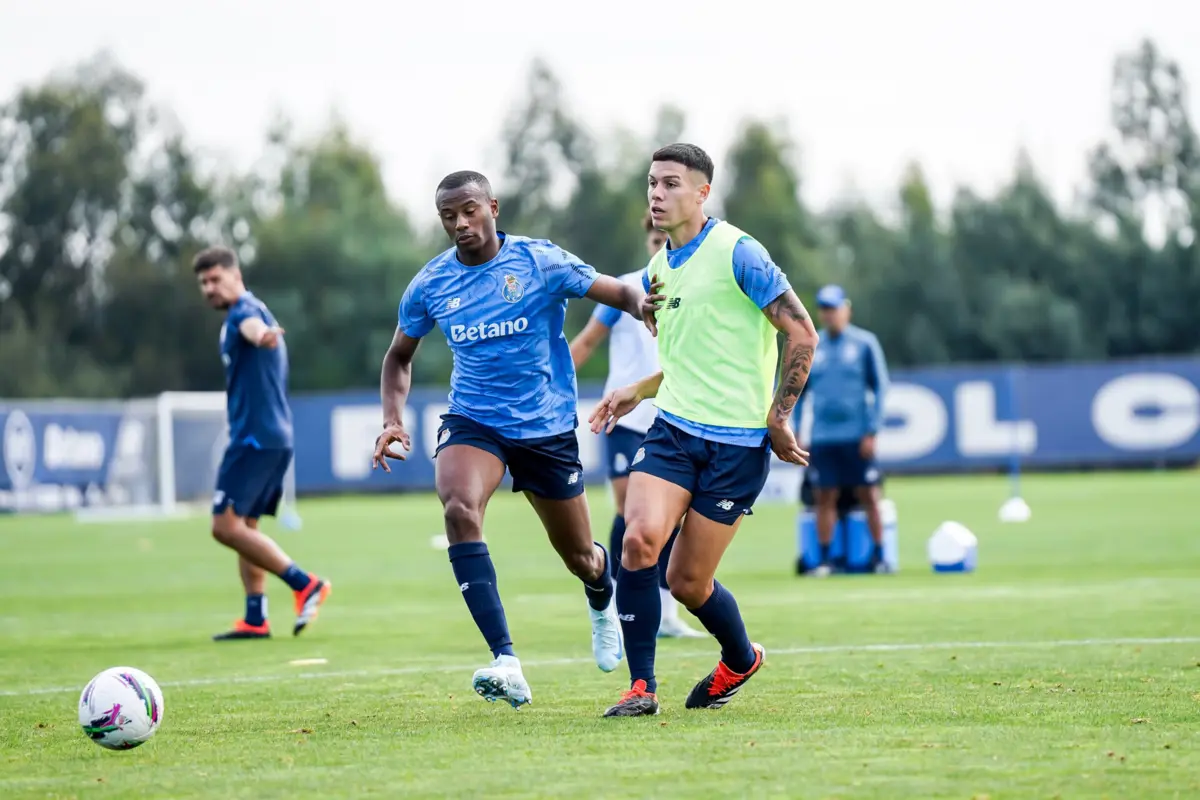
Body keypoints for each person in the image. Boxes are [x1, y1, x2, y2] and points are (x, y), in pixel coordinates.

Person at [372, 171, 646, 710]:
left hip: (546, 427)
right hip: (475, 420)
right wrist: (391, 418)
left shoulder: (538, 262)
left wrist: (644, 306)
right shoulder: (430, 284)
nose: (460, 224)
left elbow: (615, 290)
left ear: (493, 207)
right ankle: (506, 660)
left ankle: (599, 593)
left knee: (580, 557)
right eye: (449, 216)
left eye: (470, 210)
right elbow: (398, 357)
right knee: (458, 508)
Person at [589, 143, 819, 717]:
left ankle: (739, 659)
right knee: (637, 541)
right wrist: (636, 390)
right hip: (672, 430)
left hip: (737, 446)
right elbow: (692, 358)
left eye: (670, 184)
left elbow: (803, 333)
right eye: (651, 184)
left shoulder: (740, 252)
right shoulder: (657, 271)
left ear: (702, 192)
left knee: (689, 581)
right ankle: (642, 688)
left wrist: (779, 414)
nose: (657, 195)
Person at [569, 212, 705, 640]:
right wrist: (553, 386)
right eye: (654, 241)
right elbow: (587, 341)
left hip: (671, 416)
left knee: (670, 519)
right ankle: (612, 599)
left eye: (666, 240)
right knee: (630, 514)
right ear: (647, 242)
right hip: (626, 418)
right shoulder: (625, 289)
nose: (660, 248)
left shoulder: (692, 288)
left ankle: (665, 613)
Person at [193, 246, 332, 642]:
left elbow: (253, 330)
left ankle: (306, 584)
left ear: (236, 276)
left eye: (215, 279)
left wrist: (263, 336)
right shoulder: (253, 308)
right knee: (246, 526)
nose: (209, 288)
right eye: (203, 283)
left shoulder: (244, 312)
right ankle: (256, 618)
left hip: (253, 439)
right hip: (270, 437)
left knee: (224, 526)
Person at [801, 284, 890, 576]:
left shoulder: (865, 343)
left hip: (857, 436)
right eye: (824, 309)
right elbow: (799, 392)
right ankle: (826, 559)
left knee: (869, 495)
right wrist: (800, 430)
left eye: (834, 308)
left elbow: (880, 387)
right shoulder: (813, 345)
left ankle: (879, 556)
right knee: (824, 497)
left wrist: (872, 430)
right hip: (824, 437)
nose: (830, 315)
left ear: (846, 309)